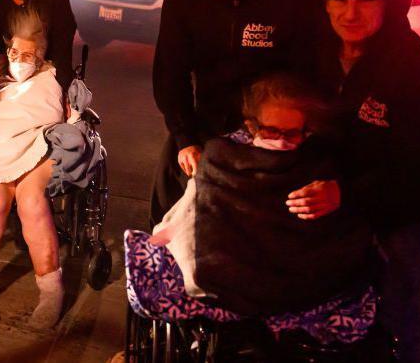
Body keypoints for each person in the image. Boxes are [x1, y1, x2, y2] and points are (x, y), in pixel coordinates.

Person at [301, 0, 420, 363]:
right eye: (340, 0)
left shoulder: (410, 65)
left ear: (391, 5)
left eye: (365, 0)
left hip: (395, 214)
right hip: (327, 203)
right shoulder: (315, 50)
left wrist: (350, 195)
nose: (350, 13)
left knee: (392, 314)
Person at [150, 0, 321, 226]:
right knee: (168, 212)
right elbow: (170, 70)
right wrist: (185, 138)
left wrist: (290, 136)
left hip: (273, 132)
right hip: (205, 125)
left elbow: (312, 76)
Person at [149, 74, 371, 314]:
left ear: (306, 131)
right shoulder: (219, 160)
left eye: (291, 133)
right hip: (231, 274)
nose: (281, 141)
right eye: (272, 131)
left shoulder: (315, 168)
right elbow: (196, 214)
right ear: (252, 125)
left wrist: (159, 239)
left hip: (286, 283)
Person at [0, 9, 66, 328]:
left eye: (28, 54)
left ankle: (51, 293)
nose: (19, 58)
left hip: (36, 144)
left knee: (32, 202)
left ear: (40, 57)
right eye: (14, 52)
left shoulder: (48, 81)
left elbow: (51, 116)